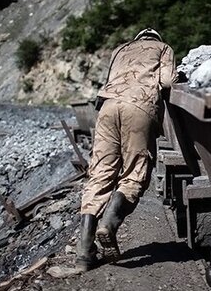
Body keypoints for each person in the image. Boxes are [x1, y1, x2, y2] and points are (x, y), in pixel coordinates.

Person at [76, 28, 177, 271]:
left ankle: (84, 253)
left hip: (108, 109)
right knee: (135, 171)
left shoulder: (119, 49)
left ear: (139, 38)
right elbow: (167, 82)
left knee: (100, 173)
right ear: (156, 39)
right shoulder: (164, 49)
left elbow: (111, 79)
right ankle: (109, 224)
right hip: (139, 107)